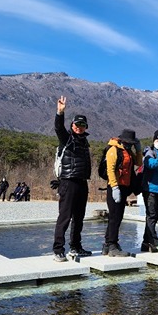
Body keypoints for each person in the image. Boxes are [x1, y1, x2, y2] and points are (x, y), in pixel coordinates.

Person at [52, 96, 93, 262]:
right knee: (65, 216)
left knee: (79, 218)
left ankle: (76, 246)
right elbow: (58, 128)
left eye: (82, 125)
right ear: (72, 125)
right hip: (68, 182)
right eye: (77, 125)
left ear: (86, 127)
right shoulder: (66, 139)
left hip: (82, 182)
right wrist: (60, 112)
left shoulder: (85, 142)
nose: (79, 128)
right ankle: (58, 249)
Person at [102, 129, 143, 257]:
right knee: (115, 217)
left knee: (116, 217)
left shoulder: (128, 151)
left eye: (132, 143)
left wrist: (138, 150)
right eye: (129, 143)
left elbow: (138, 163)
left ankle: (108, 245)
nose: (130, 144)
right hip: (115, 187)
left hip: (124, 187)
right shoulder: (114, 150)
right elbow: (110, 170)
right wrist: (114, 187)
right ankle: (112, 245)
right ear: (122, 140)